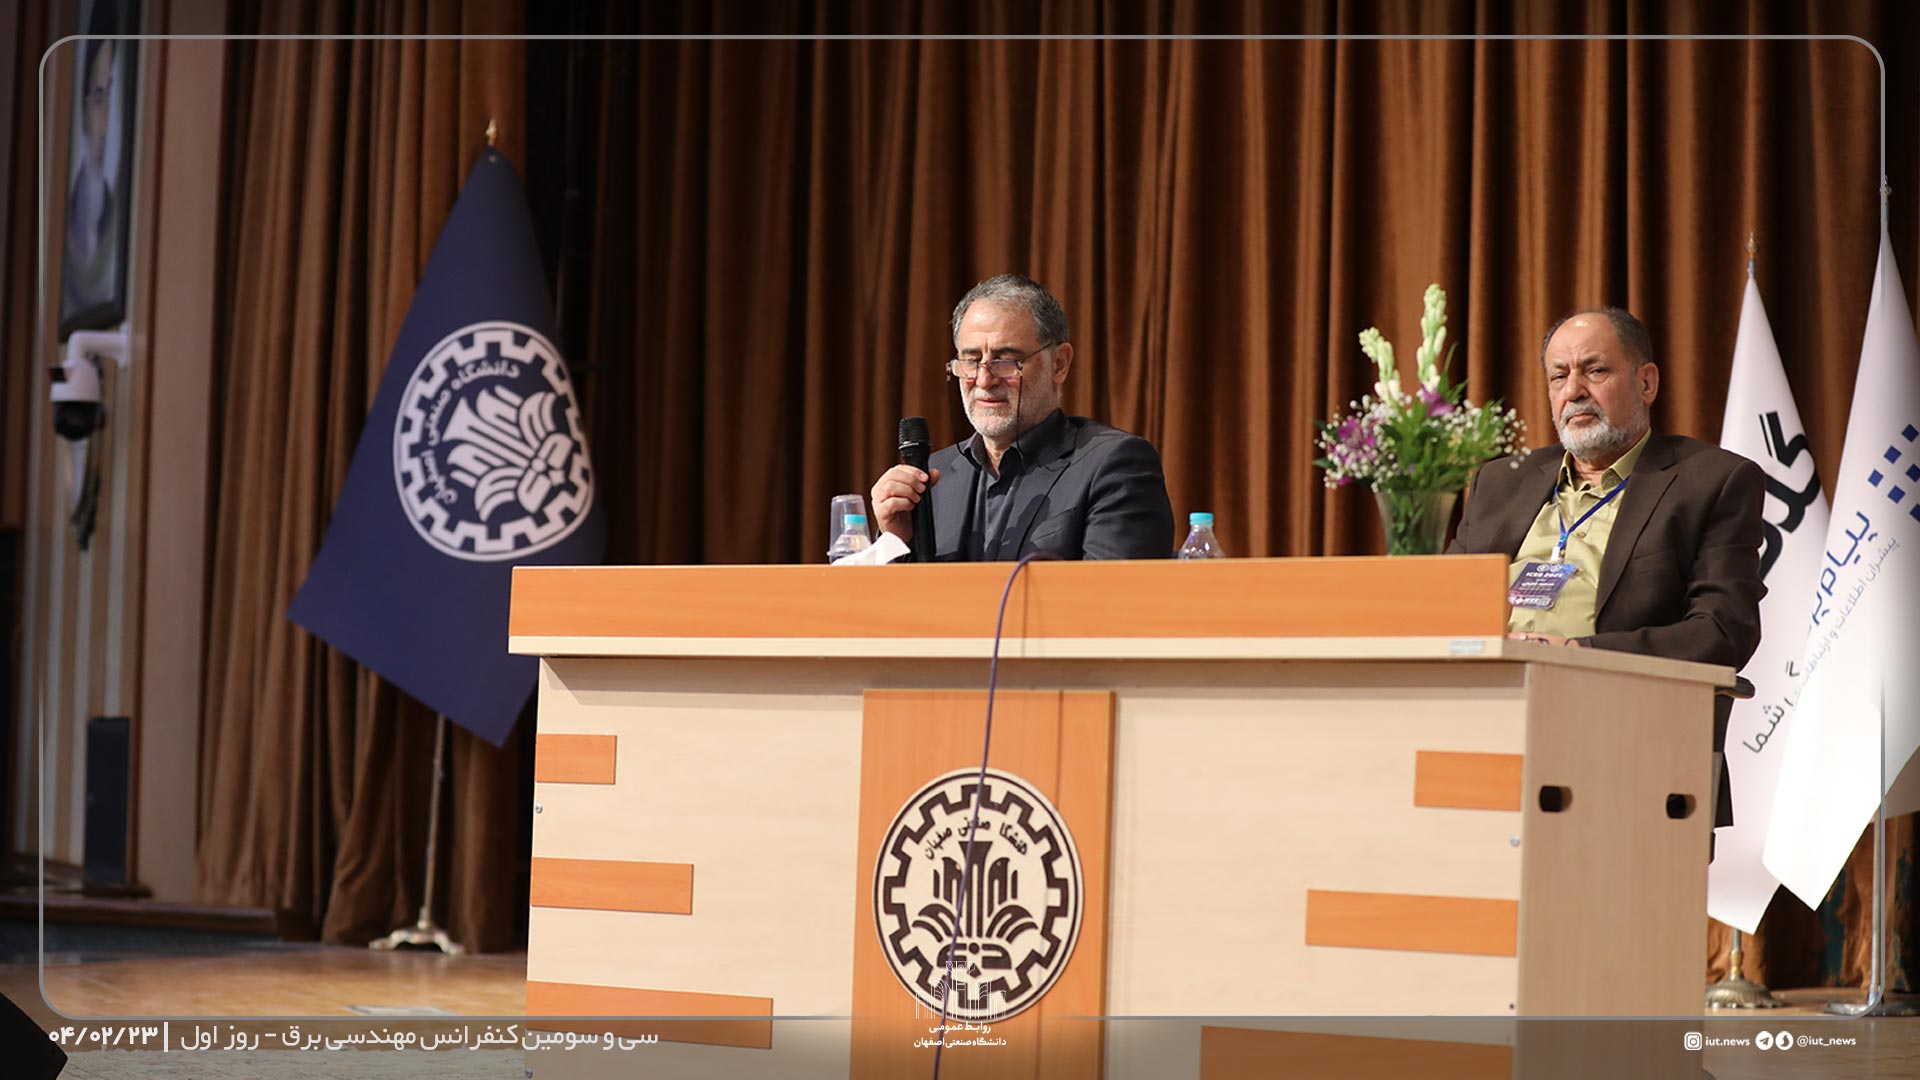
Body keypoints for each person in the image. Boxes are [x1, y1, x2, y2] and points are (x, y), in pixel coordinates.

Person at [1451, 306, 1766, 825]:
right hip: (1483, 717)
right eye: (1559, 376)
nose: (1573, 390)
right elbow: (1444, 604)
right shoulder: (1502, 482)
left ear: (1646, 382)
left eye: (1594, 371)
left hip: (1623, 731)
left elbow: (1721, 630)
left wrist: (1577, 656)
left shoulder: (1710, 481)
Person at [869, 274, 1175, 561]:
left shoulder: (1114, 465)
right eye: (971, 360)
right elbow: (893, 599)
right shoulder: (931, 480)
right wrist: (895, 542)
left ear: (1059, 364)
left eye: (1005, 360)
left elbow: (1113, 596)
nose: (984, 379)